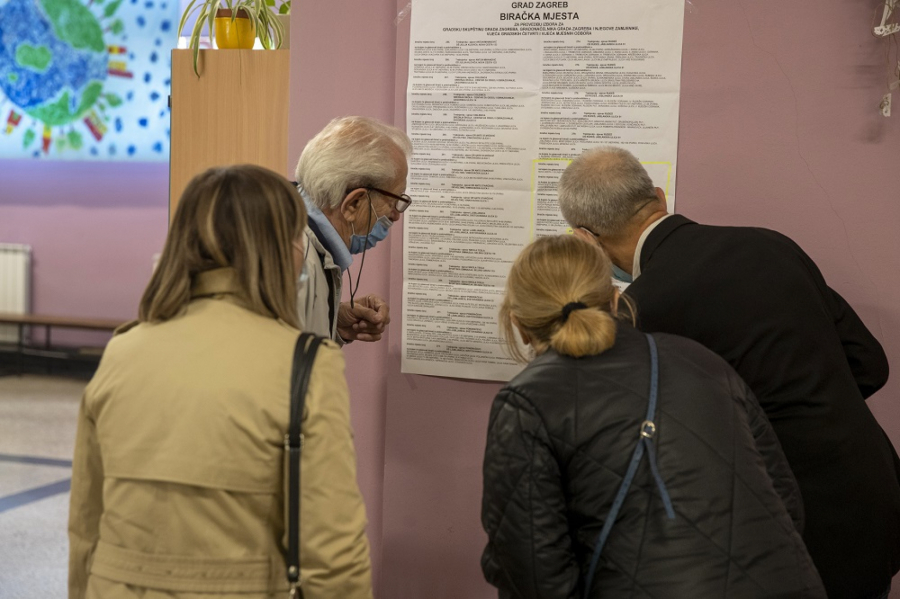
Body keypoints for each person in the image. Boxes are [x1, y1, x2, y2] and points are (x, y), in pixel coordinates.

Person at [557, 146, 900, 599]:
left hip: (784, 532)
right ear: (658, 196)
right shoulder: (770, 244)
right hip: (876, 497)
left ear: (585, 238)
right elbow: (870, 364)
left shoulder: (643, 308)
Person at [68, 165, 372, 599]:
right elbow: (334, 555)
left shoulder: (122, 350)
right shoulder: (306, 364)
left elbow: (85, 523)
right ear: (279, 250)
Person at [481, 235, 825, 598]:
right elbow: (784, 499)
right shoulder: (699, 358)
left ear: (518, 324)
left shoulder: (525, 401)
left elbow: (534, 573)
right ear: (615, 300)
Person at [292, 116, 412, 344]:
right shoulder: (297, 262)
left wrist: (333, 323)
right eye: (393, 200)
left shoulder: (296, 236)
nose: (396, 214)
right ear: (354, 203)